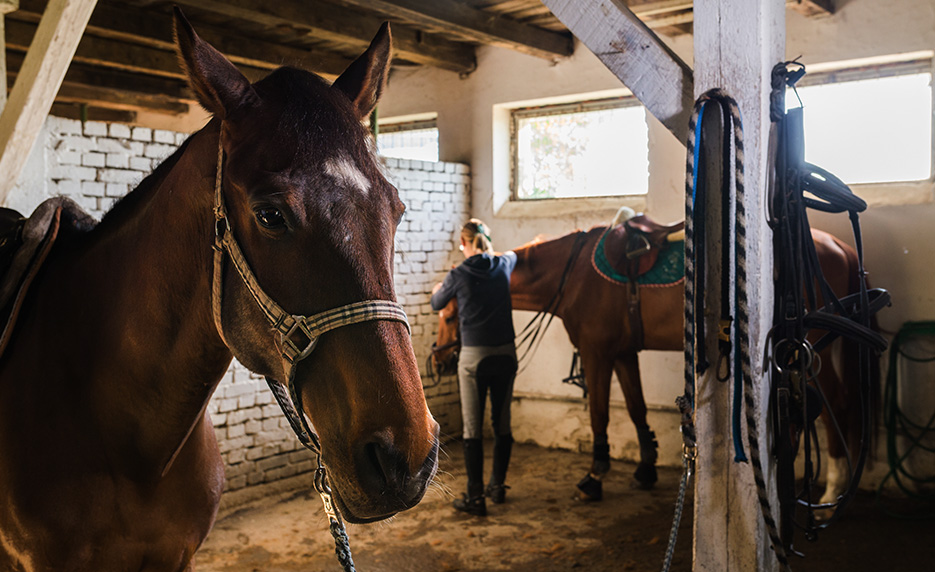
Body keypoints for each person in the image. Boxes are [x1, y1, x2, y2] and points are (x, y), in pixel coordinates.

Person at [431, 219, 518, 517]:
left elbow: (436, 303)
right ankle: (498, 486)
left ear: (464, 244)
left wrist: (439, 288)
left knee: (472, 429)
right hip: (507, 355)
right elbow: (514, 255)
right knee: (502, 423)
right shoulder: (504, 264)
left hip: (474, 360)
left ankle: (475, 496)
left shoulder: (459, 273)